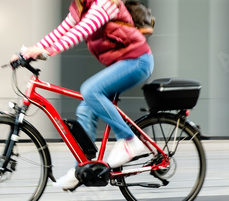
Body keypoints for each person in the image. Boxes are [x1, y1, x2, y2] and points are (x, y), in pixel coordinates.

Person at [15, 0, 155, 190]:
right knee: (86, 109)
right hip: (121, 64)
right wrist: (30, 52)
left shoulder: (104, 4)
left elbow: (80, 32)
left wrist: (48, 51)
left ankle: (130, 141)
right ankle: (82, 169)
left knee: (90, 90)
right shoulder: (80, 8)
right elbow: (60, 32)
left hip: (137, 61)